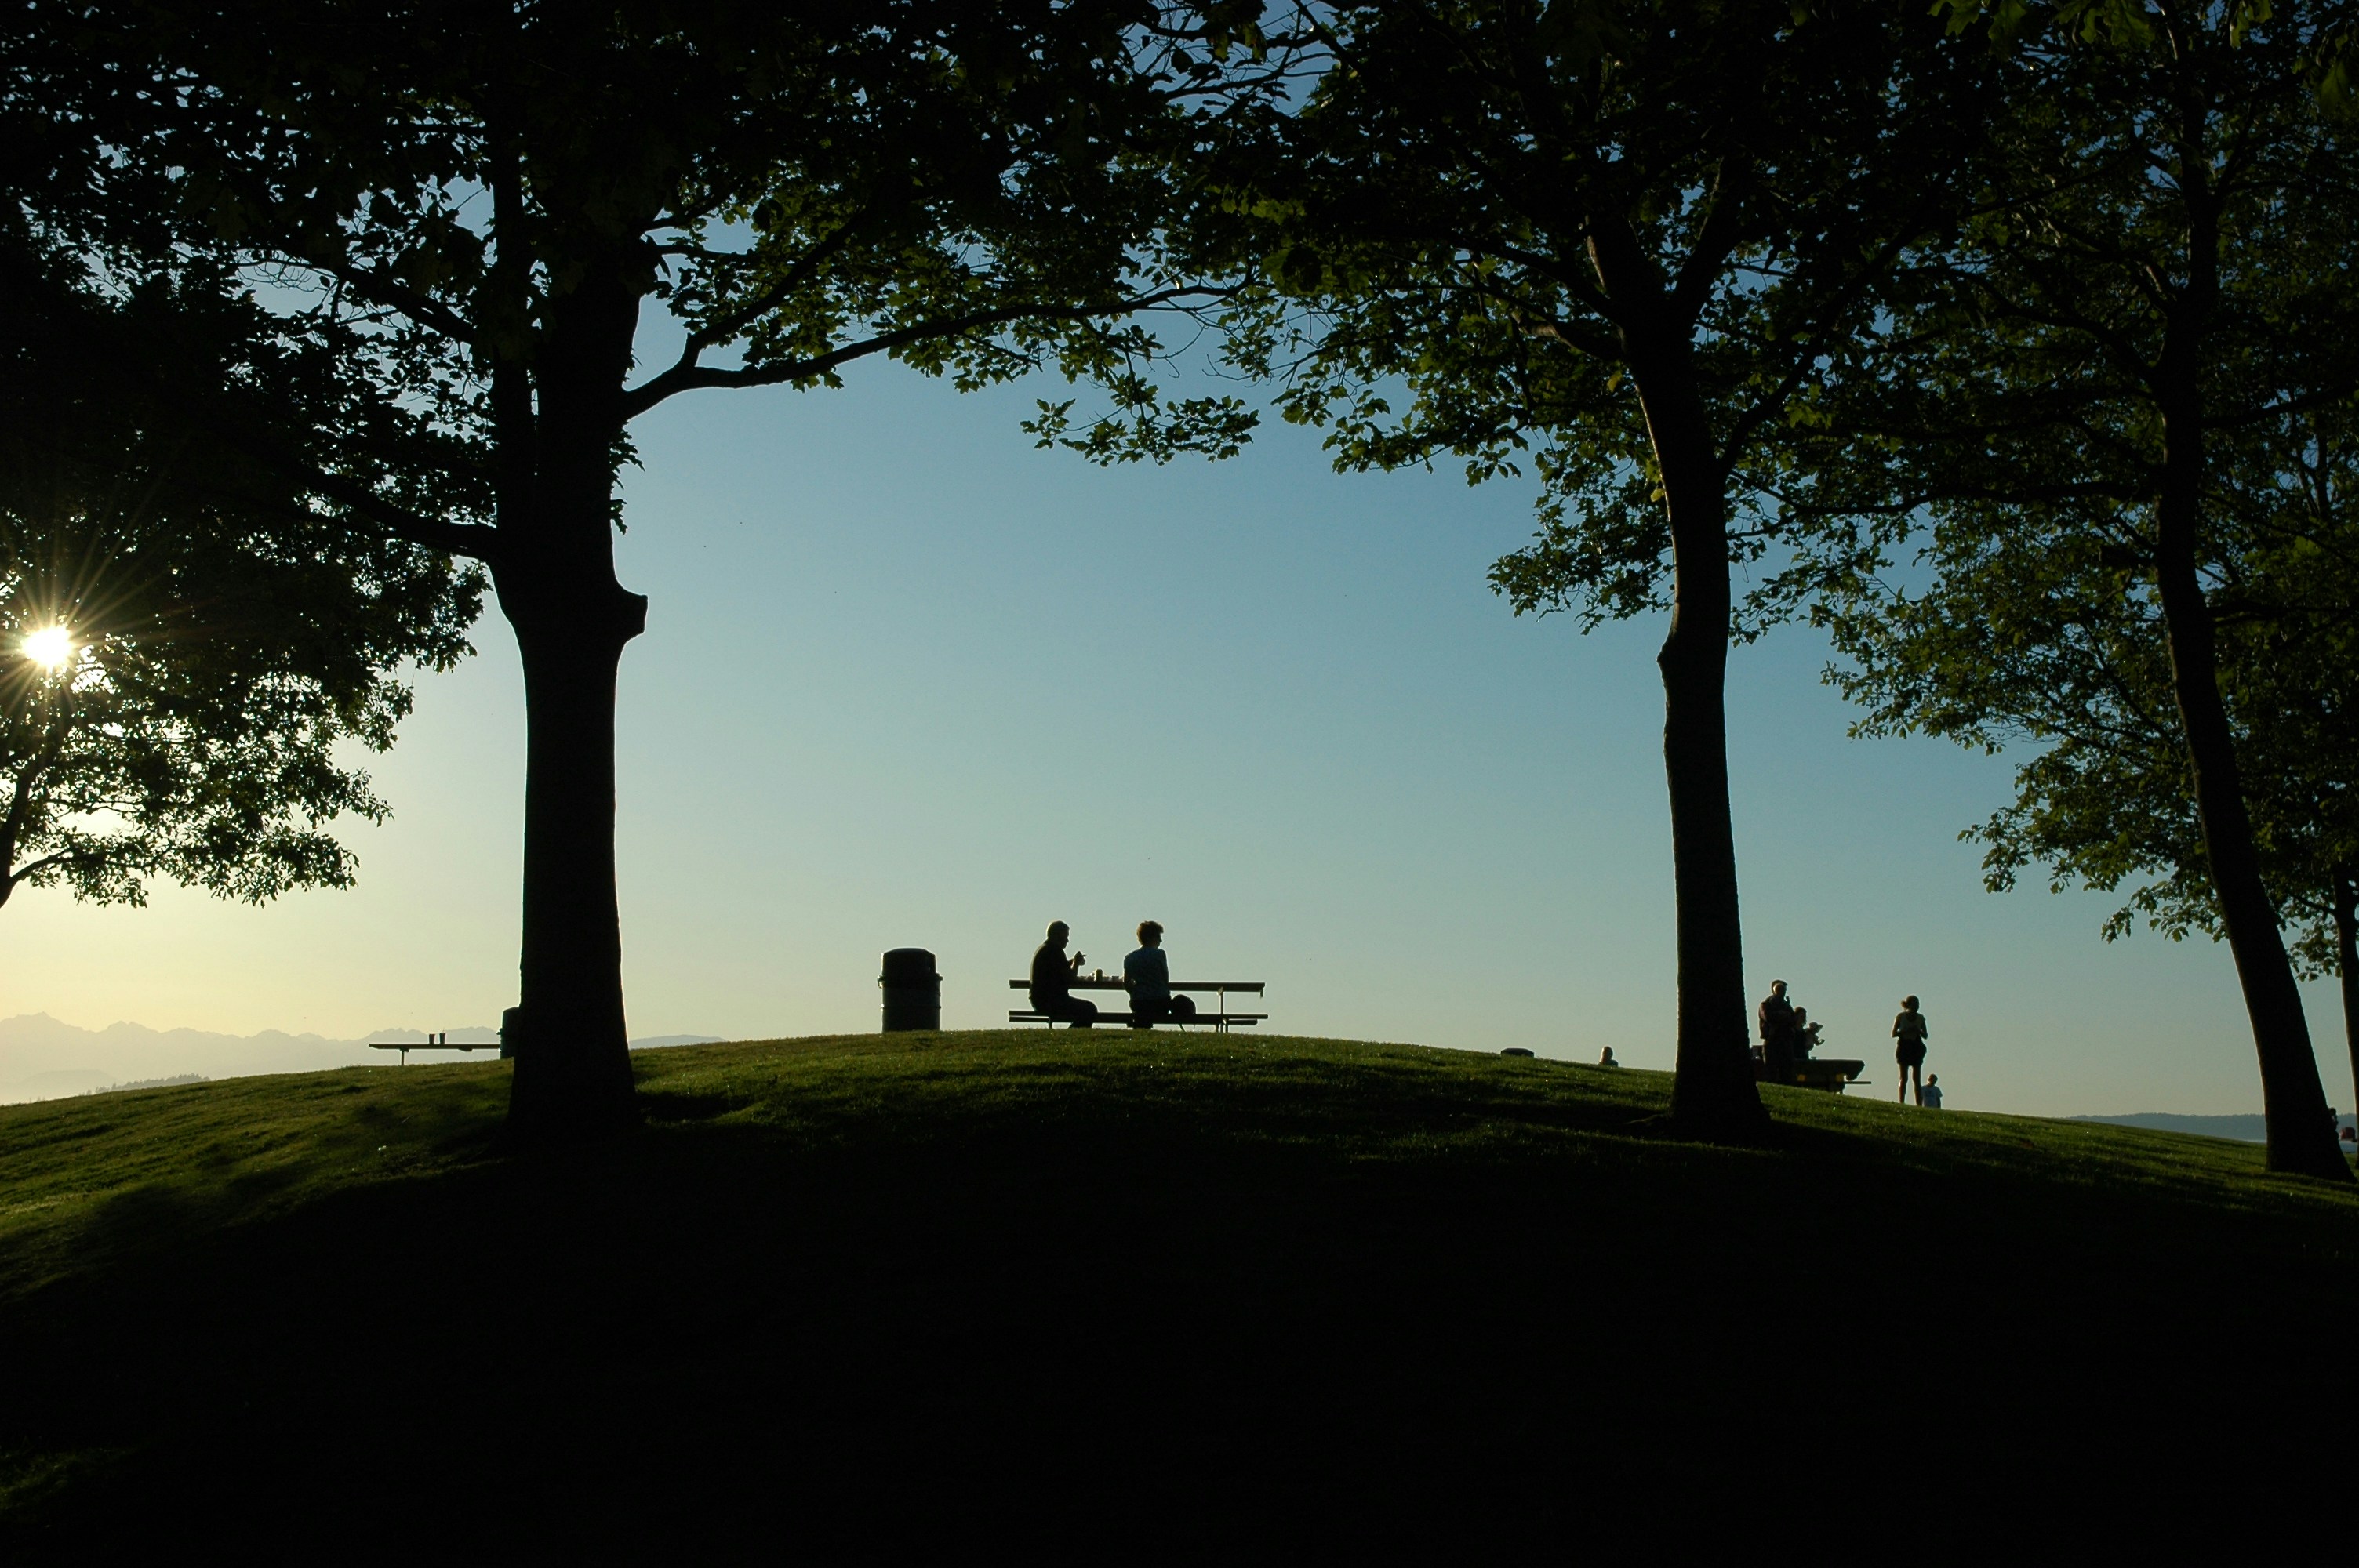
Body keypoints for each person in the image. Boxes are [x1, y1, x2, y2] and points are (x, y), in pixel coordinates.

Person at [1123, 921, 1198, 1029]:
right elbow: (1165, 978)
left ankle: (1140, 1027)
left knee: (1143, 1014)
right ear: (1150, 938)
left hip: (1138, 1004)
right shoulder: (1160, 955)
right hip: (1160, 1003)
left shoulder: (1129, 958)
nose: (1160, 940)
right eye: (1158, 937)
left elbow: (1126, 983)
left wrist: (1137, 992)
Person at [1030, 921, 1097, 1028]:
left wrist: (1072, 962)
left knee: (1086, 1009)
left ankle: (1072, 1034)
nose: (1067, 940)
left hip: (1040, 1000)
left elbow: (1060, 968)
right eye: (1066, 936)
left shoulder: (1046, 948)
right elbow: (1070, 978)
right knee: (1089, 1009)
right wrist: (1076, 963)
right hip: (1051, 1001)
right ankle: (1073, 1035)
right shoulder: (1054, 951)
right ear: (1058, 935)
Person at [1893, 995, 1929, 1104]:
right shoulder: (1901, 1017)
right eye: (1915, 1003)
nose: (1917, 1006)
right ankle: (1901, 1102)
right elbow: (1894, 1033)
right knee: (1903, 1078)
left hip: (1916, 1047)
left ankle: (1918, 1104)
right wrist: (1904, 1031)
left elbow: (1926, 1035)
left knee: (1917, 1079)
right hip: (1904, 1046)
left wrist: (1918, 1030)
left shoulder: (1921, 1018)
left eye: (1918, 1004)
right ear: (1909, 1005)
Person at [1758, 981, 1797, 1081]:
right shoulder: (1766, 1004)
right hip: (1772, 1040)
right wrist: (1781, 1015)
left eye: (1784, 990)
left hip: (1785, 1040)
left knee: (1787, 1070)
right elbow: (1768, 1017)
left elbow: (1793, 1020)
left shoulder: (1786, 1006)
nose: (1782, 993)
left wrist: (1784, 1015)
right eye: (1780, 990)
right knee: (1771, 1070)